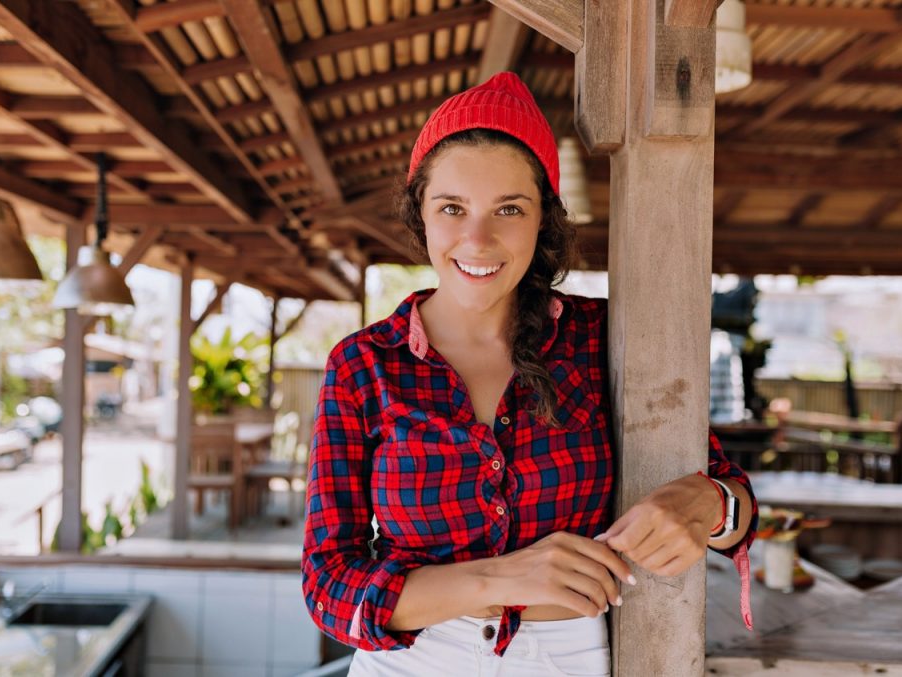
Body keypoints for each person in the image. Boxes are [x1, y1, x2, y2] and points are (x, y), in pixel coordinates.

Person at [301, 72, 757, 676]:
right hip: (413, 663)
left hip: (571, 660)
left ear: (544, 218)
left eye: (509, 209)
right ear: (422, 216)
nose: (478, 239)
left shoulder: (605, 339)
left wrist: (707, 502)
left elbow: (737, 508)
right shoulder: (363, 365)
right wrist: (499, 577)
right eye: (452, 208)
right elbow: (329, 587)